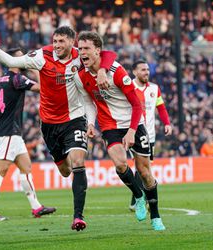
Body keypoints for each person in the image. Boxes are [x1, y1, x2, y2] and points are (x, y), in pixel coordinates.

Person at [0, 26, 116, 231]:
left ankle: (78, 216)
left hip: (74, 119)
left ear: (73, 42)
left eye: (62, 41)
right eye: (55, 41)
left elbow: (109, 55)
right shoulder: (42, 56)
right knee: (65, 170)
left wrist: (103, 71)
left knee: (78, 161)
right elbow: (12, 62)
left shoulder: (81, 56)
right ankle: (33, 201)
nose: (57, 45)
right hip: (49, 124)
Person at [75, 31, 166, 231]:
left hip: (134, 123)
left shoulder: (116, 71)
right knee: (120, 164)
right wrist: (90, 123)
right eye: (80, 48)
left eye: (86, 48)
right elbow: (89, 102)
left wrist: (132, 131)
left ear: (98, 51)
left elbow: (136, 105)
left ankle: (156, 216)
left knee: (144, 172)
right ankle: (139, 196)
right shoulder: (81, 75)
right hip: (109, 126)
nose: (82, 53)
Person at [0, 48, 56, 221]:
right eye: (21, 58)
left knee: (26, 167)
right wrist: (37, 70)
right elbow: (43, 89)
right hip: (9, 133)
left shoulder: (0, 81)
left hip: (11, 133)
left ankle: (36, 207)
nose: (24, 61)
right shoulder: (18, 79)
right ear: (12, 61)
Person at [128, 60, 172, 211]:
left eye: (147, 69)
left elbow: (161, 107)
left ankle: (136, 200)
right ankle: (138, 199)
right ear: (134, 72)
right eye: (142, 70)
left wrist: (167, 123)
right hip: (131, 133)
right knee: (140, 168)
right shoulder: (128, 87)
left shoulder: (154, 88)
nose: (146, 72)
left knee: (143, 168)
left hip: (149, 135)